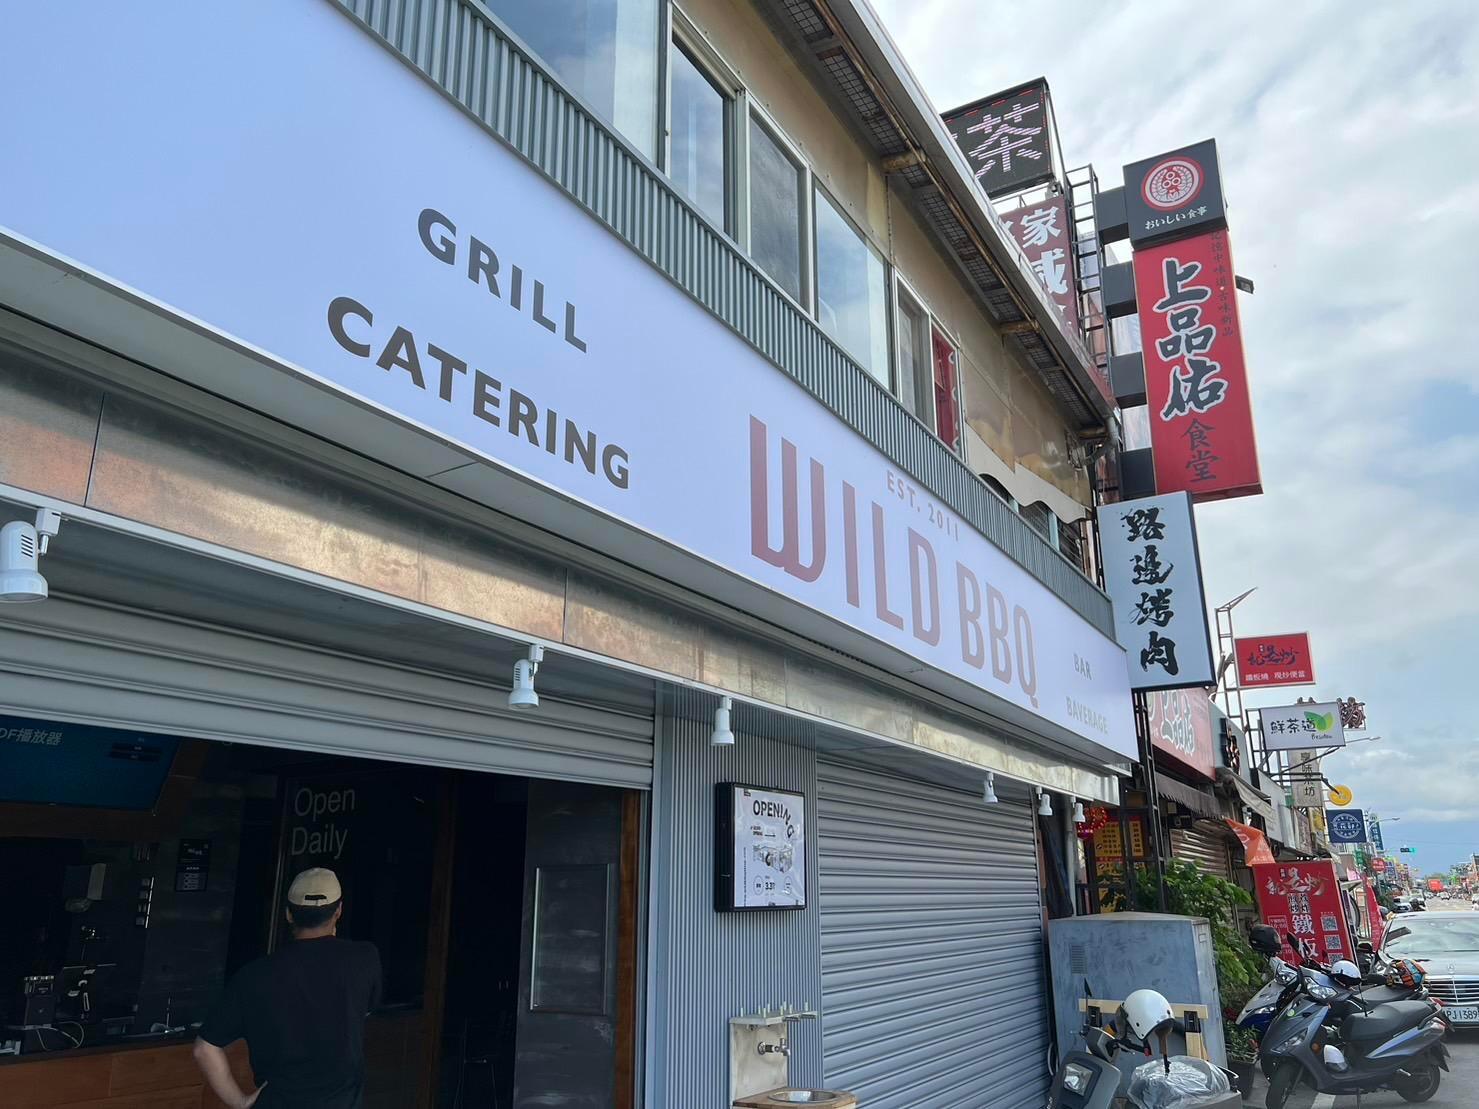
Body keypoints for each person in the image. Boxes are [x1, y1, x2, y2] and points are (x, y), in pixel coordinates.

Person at [194, 868, 382, 1109]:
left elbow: (204, 1049)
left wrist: (240, 1102)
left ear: (289, 914)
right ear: (338, 911)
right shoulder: (364, 958)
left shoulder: (254, 975)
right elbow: (364, 1011)